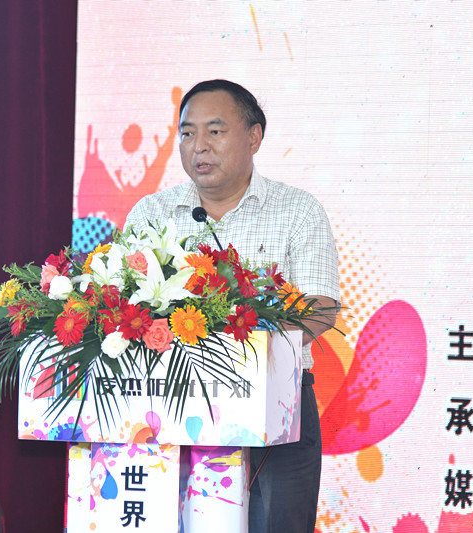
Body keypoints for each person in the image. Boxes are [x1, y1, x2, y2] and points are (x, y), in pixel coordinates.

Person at [125, 79, 340, 532]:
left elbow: (321, 308)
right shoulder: (151, 213)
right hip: (167, 403)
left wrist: (242, 337)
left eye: (215, 131)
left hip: (277, 409)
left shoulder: (298, 210)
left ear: (254, 137)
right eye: (187, 133)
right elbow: (125, 305)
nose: (198, 146)